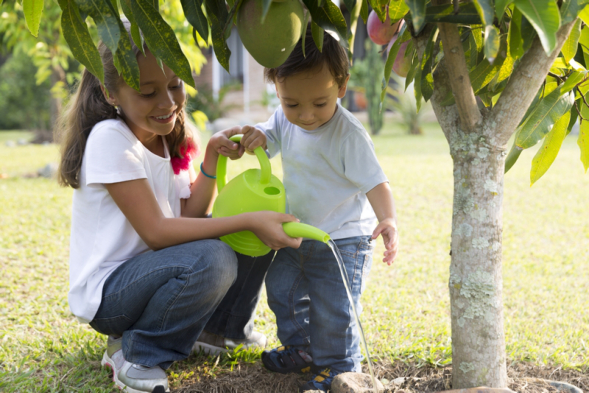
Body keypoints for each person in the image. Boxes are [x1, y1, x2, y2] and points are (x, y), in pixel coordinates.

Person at [56, 22, 301, 393]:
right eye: (148, 92)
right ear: (111, 94)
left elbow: (188, 216)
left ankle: (219, 331)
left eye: (174, 85)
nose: (168, 102)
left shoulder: (165, 138)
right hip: (112, 295)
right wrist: (248, 219)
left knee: (243, 233)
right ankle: (139, 353)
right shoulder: (111, 139)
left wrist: (212, 159)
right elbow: (157, 233)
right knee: (216, 254)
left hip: (156, 275)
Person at [238, 25, 400, 392]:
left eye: (320, 103)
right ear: (277, 89)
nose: (306, 115)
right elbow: (272, 136)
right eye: (291, 103)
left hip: (343, 238)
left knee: (333, 307)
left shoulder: (348, 135)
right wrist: (259, 136)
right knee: (282, 289)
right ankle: (302, 348)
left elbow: (376, 182)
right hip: (297, 231)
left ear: (341, 88)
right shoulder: (284, 117)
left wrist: (388, 218)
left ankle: (340, 366)